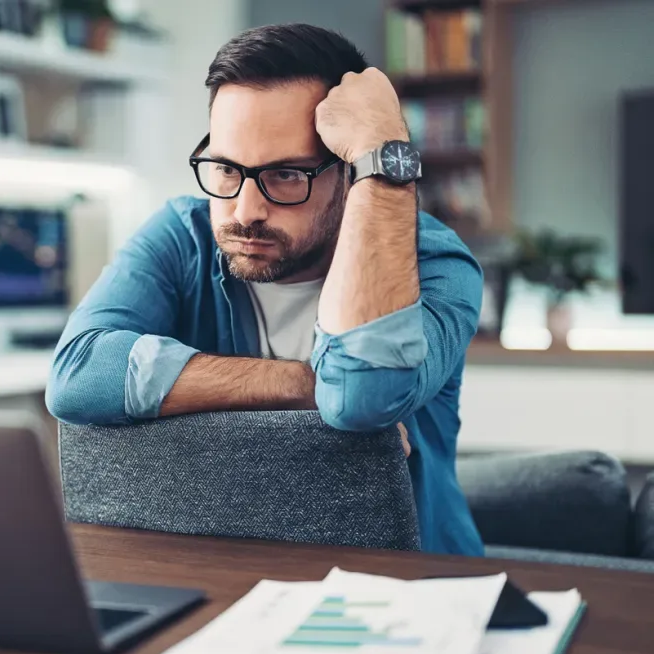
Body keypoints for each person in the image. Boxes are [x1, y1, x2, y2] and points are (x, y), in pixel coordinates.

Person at [45, 23, 484, 556]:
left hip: (414, 587)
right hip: (234, 580)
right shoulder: (184, 236)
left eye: (286, 176)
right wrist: (302, 384)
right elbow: (77, 375)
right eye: (227, 169)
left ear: (349, 173)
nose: (246, 211)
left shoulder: (434, 263)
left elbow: (362, 397)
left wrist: (383, 153)